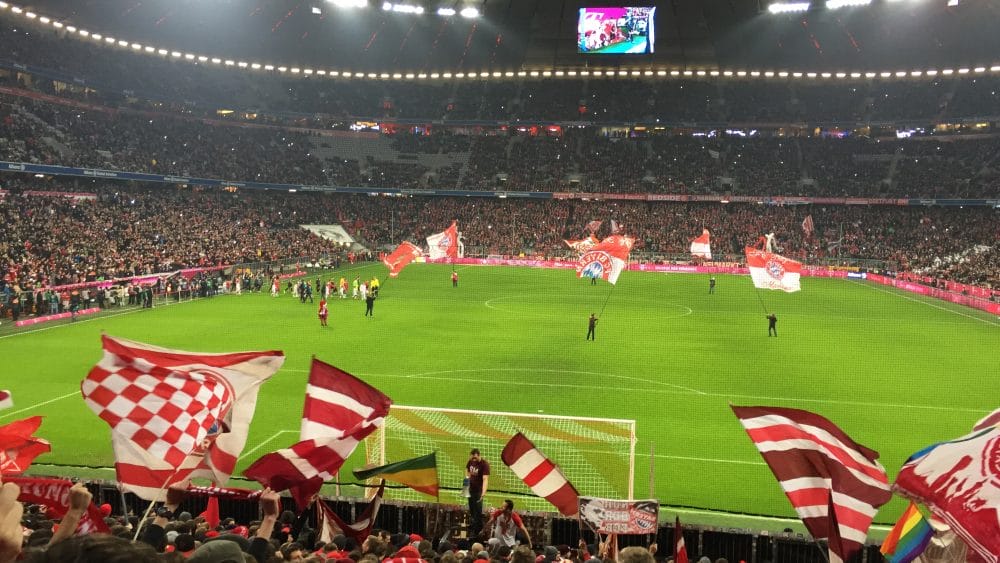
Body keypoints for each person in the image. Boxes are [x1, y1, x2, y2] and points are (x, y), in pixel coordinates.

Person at [465, 448, 490, 538]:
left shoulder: (484, 464)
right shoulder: (471, 461)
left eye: (475, 458)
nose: (473, 460)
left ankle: (478, 532)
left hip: (478, 491)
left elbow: (485, 479)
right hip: (470, 489)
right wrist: (466, 485)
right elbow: (467, 471)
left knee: (478, 512)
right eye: (472, 458)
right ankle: (473, 527)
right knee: (472, 510)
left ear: (479, 455)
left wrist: (483, 493)